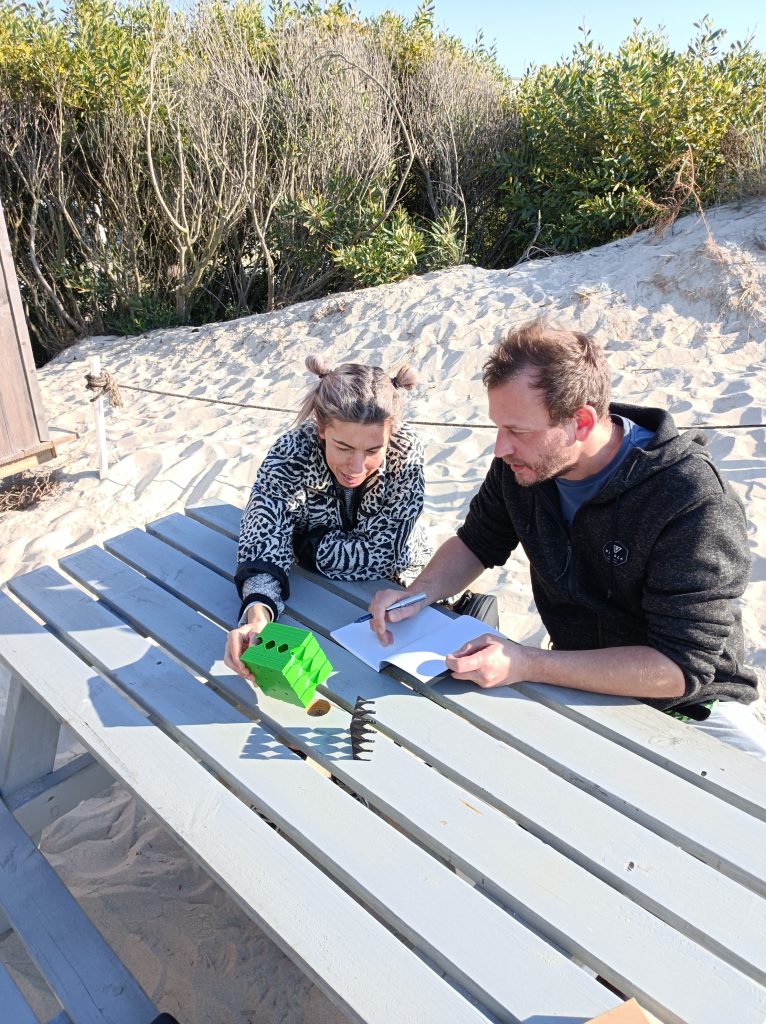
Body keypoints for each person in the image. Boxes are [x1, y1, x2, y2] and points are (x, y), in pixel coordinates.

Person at [369, 318, 766, 758]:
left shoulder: (692, 499)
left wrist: (527, 662)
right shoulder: (521, 465)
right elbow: (477, 542)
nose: (500, 448)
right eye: (498, 427)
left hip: (692, 705)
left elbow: (678, 667)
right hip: (570, 677)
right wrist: (416, 595)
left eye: (518, 431)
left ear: (581, 421)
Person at [225, 354, 431, 685]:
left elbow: (386, 552)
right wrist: (258, 612)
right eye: (344, 447)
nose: (356, 467)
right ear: (321, 429)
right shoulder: (291, 453)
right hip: (321, 596)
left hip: (405, 588)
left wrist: (306, 549)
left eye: (373, 450)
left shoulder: (405, 456)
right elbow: (262, 536)